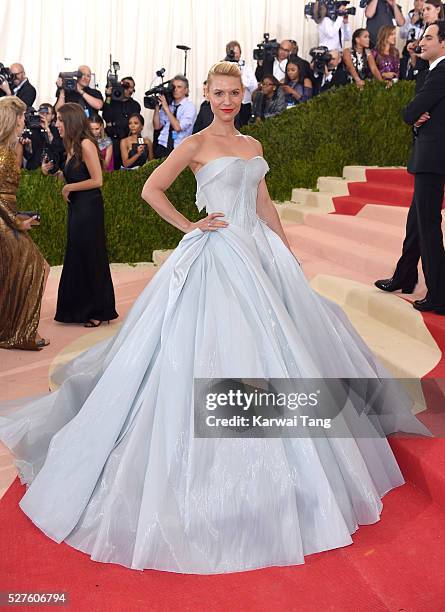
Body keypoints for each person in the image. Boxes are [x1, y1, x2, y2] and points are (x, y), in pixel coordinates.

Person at [0, 61, 428, 575]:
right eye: (219, 92)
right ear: (207, 93)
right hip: (218, 253)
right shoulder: (195, 144)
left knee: (284, 347)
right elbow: (149, 189)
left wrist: (286, 252)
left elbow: (263, 201)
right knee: (215, 350)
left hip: (261, 253)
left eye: (234, 92)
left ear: (242, 95)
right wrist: (191, 227)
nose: (227, 100)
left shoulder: (253, 146)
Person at [375, 21, 445, 314]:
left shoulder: (442, 70)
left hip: (435, 156)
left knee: (427, 226)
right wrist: (418, 113)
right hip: (430, 154)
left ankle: (439, 296)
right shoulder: (431, 70)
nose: (421, 42)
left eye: (429, 37)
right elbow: (420, 109)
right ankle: (405, 275)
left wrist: (414, 114)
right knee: (416, 222)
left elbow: (410, 111)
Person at [42, 103, 118, 327]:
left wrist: (68, 189)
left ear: (71, 121)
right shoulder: (72, 146)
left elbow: (97, 180)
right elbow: (76, 177)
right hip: (78, 208)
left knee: (91, 256)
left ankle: (99, 310)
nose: (57, 124)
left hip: (89, 208)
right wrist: (55, 174)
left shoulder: (86, 144)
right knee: (78, 256)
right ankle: (78, 309)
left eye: (59, 120)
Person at [0, 97, 49, 350]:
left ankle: (17, 330)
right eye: (20, 117)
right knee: (37, 266)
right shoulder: (4, 153)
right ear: (12, 119)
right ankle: (21, 332)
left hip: (7, 216)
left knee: (13, 274)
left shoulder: (8, 149)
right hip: (4, 221)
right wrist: (18, 223)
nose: (23, 121)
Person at [152, 75, 196, 158]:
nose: (175, 89)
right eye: (174, 87)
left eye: (179, 87)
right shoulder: (169, 105)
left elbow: (178, 127)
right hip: (162, 146)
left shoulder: (190, 107)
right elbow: (157, 126)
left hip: (178, 149)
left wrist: (166, 109)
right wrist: (157, 108)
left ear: (186, 90)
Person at [403, 0, 444, 89]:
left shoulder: (442, 31)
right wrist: (413, 54)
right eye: (423, 10)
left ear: (438, 9)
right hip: (421, 77)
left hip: (435, 78)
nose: (425, 13)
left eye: (428, 9)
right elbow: (418, 64)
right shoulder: (423, 32)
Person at [103, 76, 141, 169]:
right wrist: (108, 96)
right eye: (126, 86)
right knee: (111, 168)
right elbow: (106, 116)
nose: (129, 89)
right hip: (112, 141)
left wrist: (114, 123)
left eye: (131, 87)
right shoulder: (111, 101)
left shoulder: (135, 105)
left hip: (127, 141)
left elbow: (135, 123)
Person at [22, 103, 65, 171]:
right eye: (41, 112)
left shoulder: (58, 130)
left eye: (47, 113)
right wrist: (28, 147)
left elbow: (60, 149)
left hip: (52, 171)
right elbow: (27, 155)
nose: (43, 115)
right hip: (33, 171)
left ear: (53, 116)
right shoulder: (31, 129)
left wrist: (47, 129)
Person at [225, 40, 258, 125]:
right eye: (233, 53)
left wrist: (243, 81)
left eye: (237, 52)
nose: (235, 55)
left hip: (245, 104)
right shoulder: (223, 66)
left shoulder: (246, 67)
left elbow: (254, 85)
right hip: (229, 104)